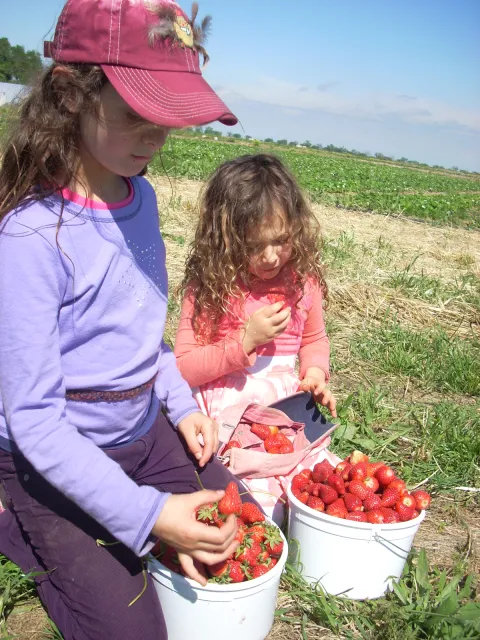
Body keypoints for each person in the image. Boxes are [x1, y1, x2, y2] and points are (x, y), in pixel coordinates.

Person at [0, 1, 252, 638]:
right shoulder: (32, 239)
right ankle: (13, 517)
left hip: (141, 430)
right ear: (69, 94)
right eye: (137, 116)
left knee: (241, 527)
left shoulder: (140, 196)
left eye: (167, 121)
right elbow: (34, 418)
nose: (155, 139)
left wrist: (181, 404)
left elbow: (143, 337)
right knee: (136, 631)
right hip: (51, 455)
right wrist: (148, 517)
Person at [175, 154, 337, 420]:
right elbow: (182, 368)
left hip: (281, 414)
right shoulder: (211, 285)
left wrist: (315, 375)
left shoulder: (303, 284)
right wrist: (245, 340)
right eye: (253, 246)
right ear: (224, 240)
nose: (270, 257)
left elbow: (314, 340)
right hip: (218, 418)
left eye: (281, 240)